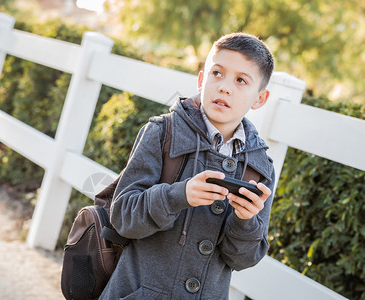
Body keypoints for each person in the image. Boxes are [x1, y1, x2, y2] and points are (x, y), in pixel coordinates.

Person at [100, 32, 275, 299]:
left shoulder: (260, 167)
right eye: (217, 73)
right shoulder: (162, 132)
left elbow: (243, 260)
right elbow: (123, 218)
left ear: (260, 99)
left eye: (241, 80)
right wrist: (177, 196)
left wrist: (245, 220)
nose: (225, 87)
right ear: (202, 79)